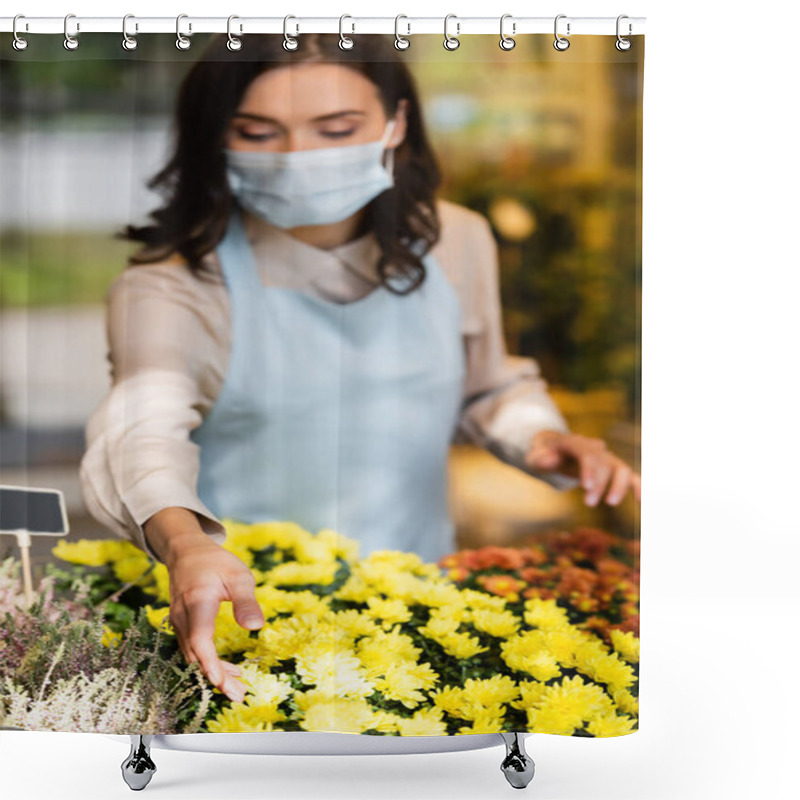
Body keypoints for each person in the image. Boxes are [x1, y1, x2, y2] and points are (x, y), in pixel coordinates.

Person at [80, 33, 641, 704]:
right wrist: (186, 546)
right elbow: (140, 432)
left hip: (419, 615)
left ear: (397, 123)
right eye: (258, 132)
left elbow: (489, 383)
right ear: (216, 140)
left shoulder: (455, 238)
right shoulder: (172, 284)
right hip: (236, 616)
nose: (298, 159)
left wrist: (540, 437)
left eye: (337, 129)